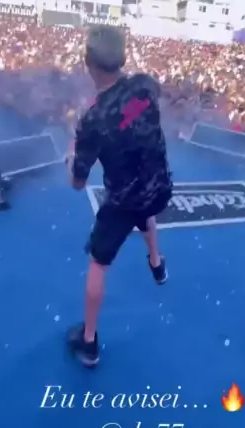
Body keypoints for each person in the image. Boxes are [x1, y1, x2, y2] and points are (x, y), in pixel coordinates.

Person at [66, 25, 173, 366]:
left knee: (98, 262)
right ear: (122, 59)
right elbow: (145, 104)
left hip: (124, 201)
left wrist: (72, 156)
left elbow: (77, 183)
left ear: (88, 63)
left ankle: (88, 342)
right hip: (159, 187)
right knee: (146, 213)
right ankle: (156, 264)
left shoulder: (93, 120)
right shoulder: (145, 84)